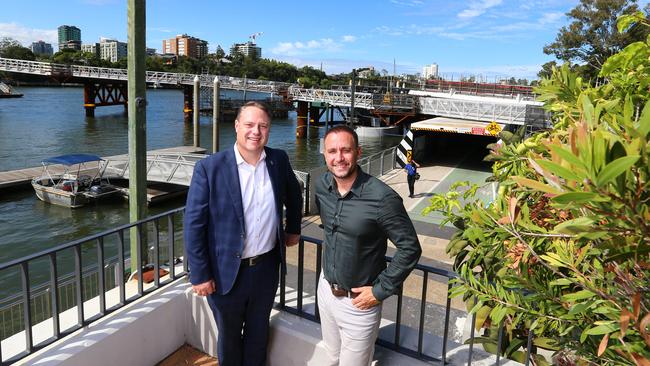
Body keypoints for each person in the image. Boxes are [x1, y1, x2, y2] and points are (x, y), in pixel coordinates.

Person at [184, 101, 302, 366]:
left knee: (259, 330)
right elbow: (193, 224)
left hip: (266, 267)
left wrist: (292, 229)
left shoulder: (278, 160)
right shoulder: (209, 168)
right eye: (249, 125)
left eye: (262, 126)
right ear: (237, 126)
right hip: (226, 272)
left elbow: (295, 195)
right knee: (229, 336)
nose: (255, 132)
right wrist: (200, 274)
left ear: (269, 129)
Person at [315, 125, 422, 365]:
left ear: (358, 152)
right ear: (324, 154)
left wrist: (380, 290)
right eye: (332, 151)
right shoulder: (322, 186)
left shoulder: (383, 198)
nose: (339, 158)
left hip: (358, 304)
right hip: (325, 290)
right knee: (331, 357)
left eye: (346, 150)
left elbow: (410, 247)